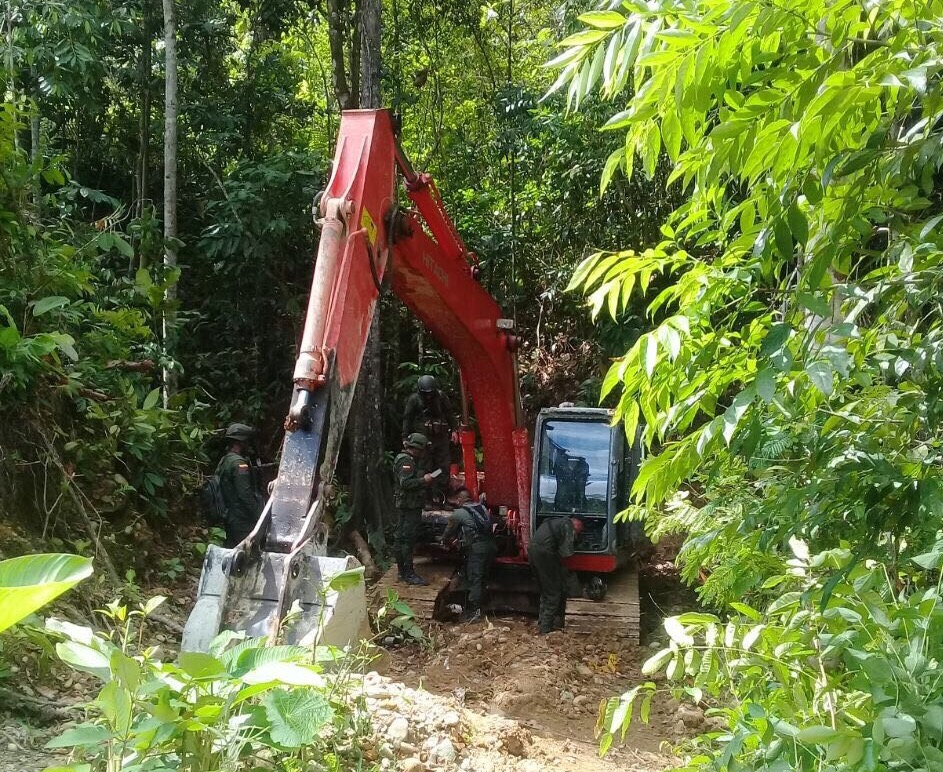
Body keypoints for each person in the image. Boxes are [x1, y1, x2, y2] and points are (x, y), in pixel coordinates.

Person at [442, 487, 497, 623]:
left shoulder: (459, 513)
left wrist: (444, 542)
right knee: (483, 577)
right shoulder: (482, 508)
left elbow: (448, 533)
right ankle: (482, 607)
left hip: (477, 550)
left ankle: (474, 613)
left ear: (460, 500)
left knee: (475, 578)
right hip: (491, 547)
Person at [402, 375, 457, 500]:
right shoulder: (414, 399)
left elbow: (449, 413)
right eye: (425, 394)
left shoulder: (441, 397)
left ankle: (440, 496)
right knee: (424, 467)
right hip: (422, 440)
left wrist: (454, 430)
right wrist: (405, 437)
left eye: (430, 393)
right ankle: (426, 497)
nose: (428, 397)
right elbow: (407, 419)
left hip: (440, 437)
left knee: (442, 467)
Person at [528, 516, 585, 634]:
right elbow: (566, 553)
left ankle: (542, 622)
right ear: (577, 523)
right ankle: (546, 628)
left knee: (545, 591)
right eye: (580, 528)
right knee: (554, 592)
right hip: (545, 554)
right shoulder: (567, 525)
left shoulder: (553, 521)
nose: (580, 531)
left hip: (532, 551)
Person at [394, 432, 437, 585]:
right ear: (418, 448)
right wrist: (423, 480)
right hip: (409, 506)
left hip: (406, 505)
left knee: (401, 538)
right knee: (406, 540)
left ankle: (402, 572)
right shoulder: (407, 461)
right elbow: (405, 483)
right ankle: (408, 574)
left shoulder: (405, 459)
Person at [216, 423, 265, 547]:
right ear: (241, 442)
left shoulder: (225, 460)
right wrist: (260, 515)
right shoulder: (239, 464)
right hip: (242, 519)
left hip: (230, 516)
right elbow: (245, 494)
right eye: (247, 441)